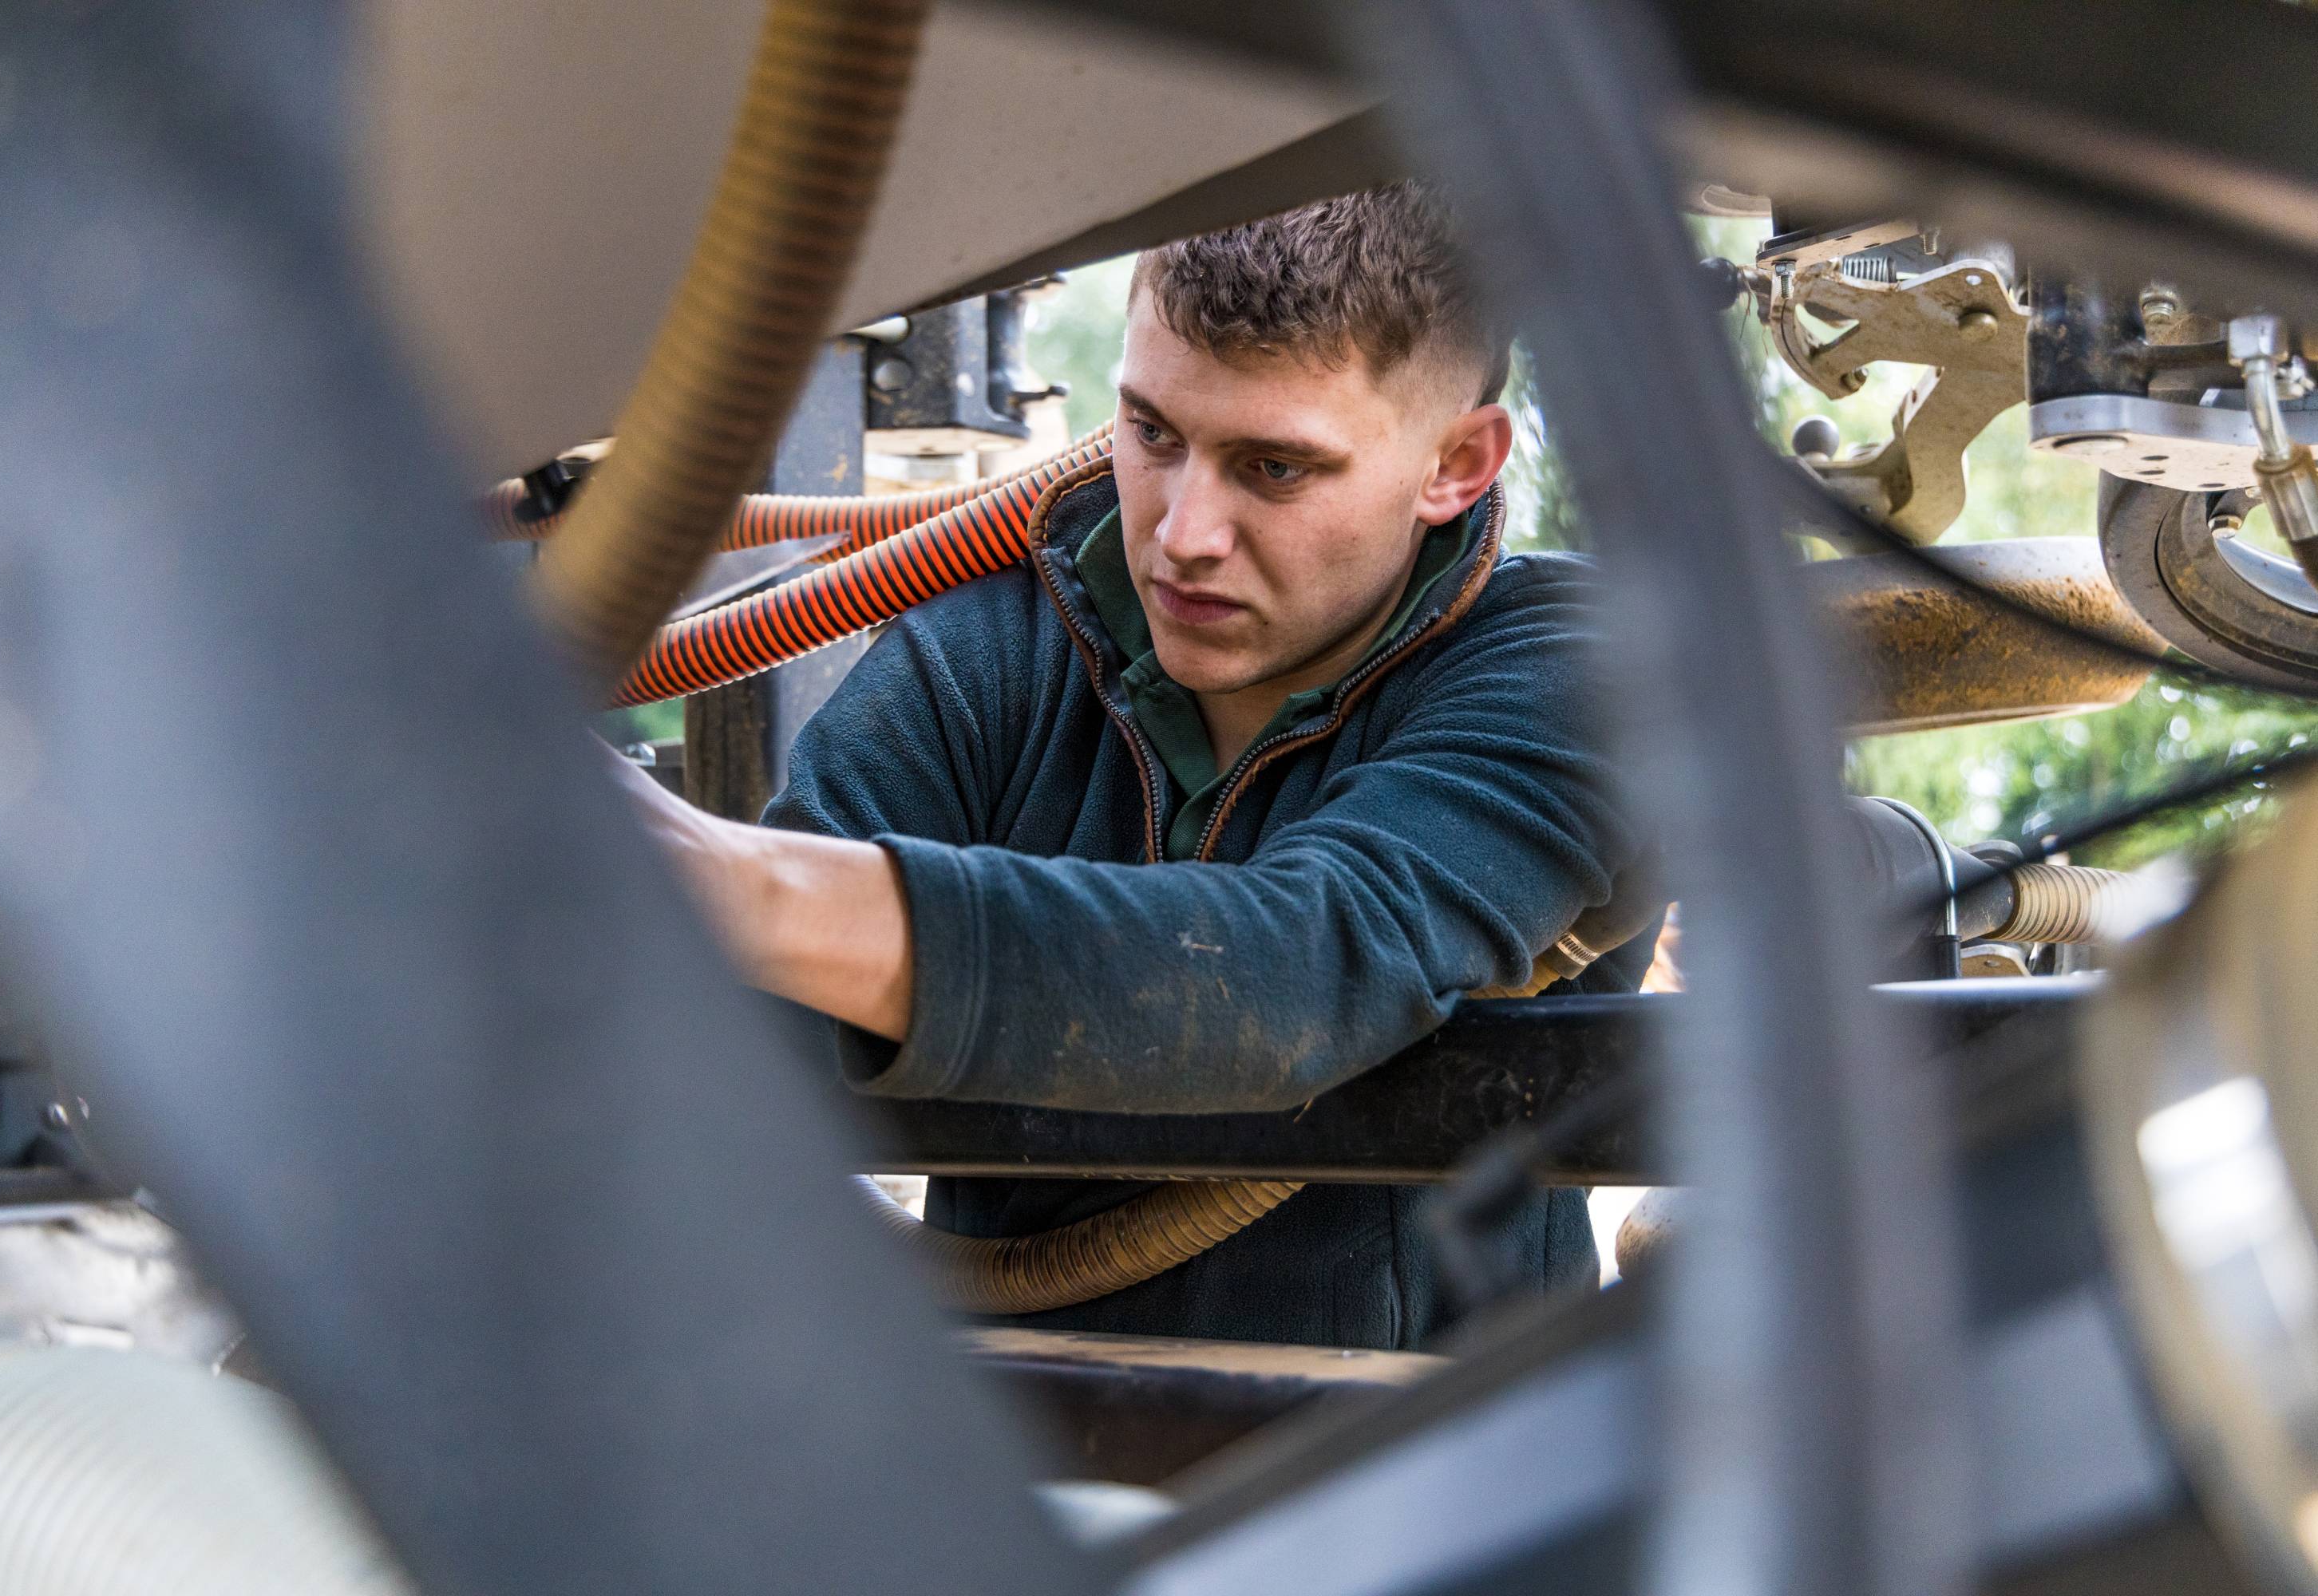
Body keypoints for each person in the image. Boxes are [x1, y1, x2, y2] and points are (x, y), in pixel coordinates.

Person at [620, 183, 1654, 1350]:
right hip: (1034, 1466)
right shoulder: (986, 656)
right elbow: (741, 1053)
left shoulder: (1571, 665)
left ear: (1456, 464)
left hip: (1441, 1482)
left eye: (1274, 468)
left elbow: (1299, 966)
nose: (1181, 533)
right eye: (1154, 434)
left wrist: (726, 883)